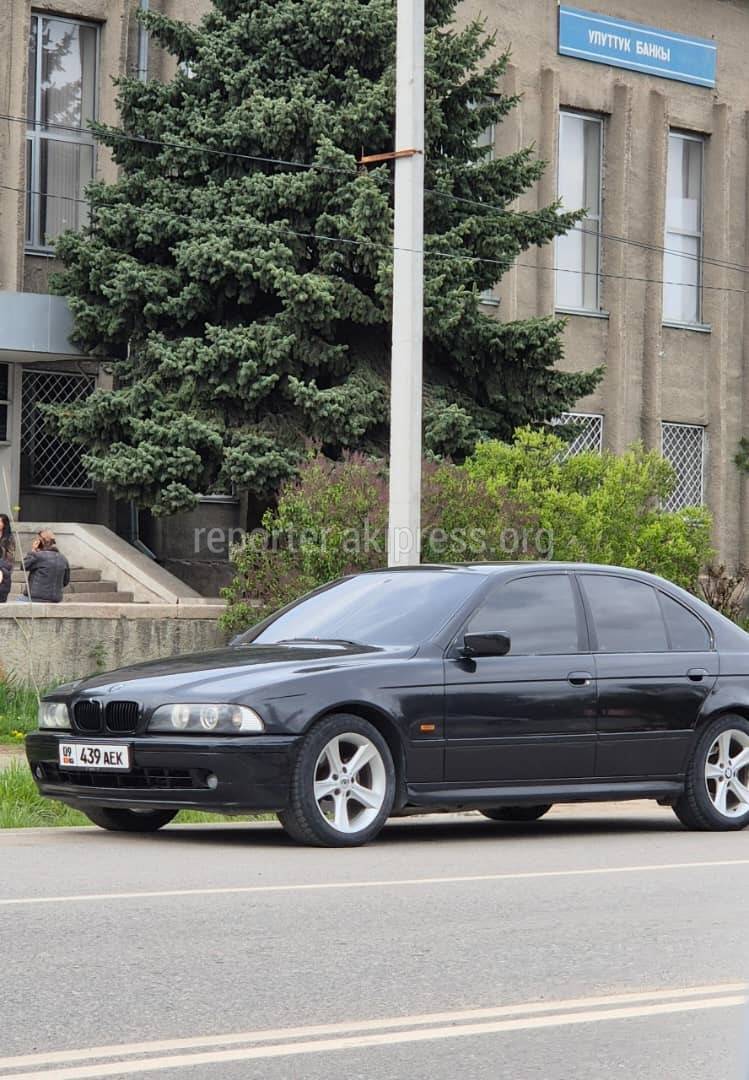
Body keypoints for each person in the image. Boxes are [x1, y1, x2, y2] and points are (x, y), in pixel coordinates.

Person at [18, 529, 70, 604]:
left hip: (35, 597)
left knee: (16, 603)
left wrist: (33, 550)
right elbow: (65, 582)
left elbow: (23, 566)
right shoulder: (63, 559)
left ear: (40, 542)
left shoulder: (38, 556)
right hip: (56, 598)